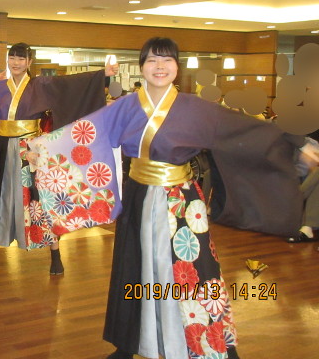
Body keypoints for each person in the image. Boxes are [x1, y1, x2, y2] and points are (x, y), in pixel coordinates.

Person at [30, 37, 316, 358]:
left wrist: (296, 144)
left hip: (181, 199)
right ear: (142, 67)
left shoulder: (195, 108)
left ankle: (213, 343)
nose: (160, 66)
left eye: (167, 60)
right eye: (152, 60)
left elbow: (242, 128)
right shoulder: (125, 106)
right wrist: (44, 149)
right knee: (134, 265)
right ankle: (129, 344)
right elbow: (85, 132)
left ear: (177, 67)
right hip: (138, 195)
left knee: (194, 271)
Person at [0, 42, 118, 274]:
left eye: (21, 58)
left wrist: (103, 74)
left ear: (29, 62)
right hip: (3, 147)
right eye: (12, 57)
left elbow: (69, 85)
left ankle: (55, 254)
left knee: (40, 198)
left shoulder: (40, 85)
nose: (16, 62)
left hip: (30, 149)